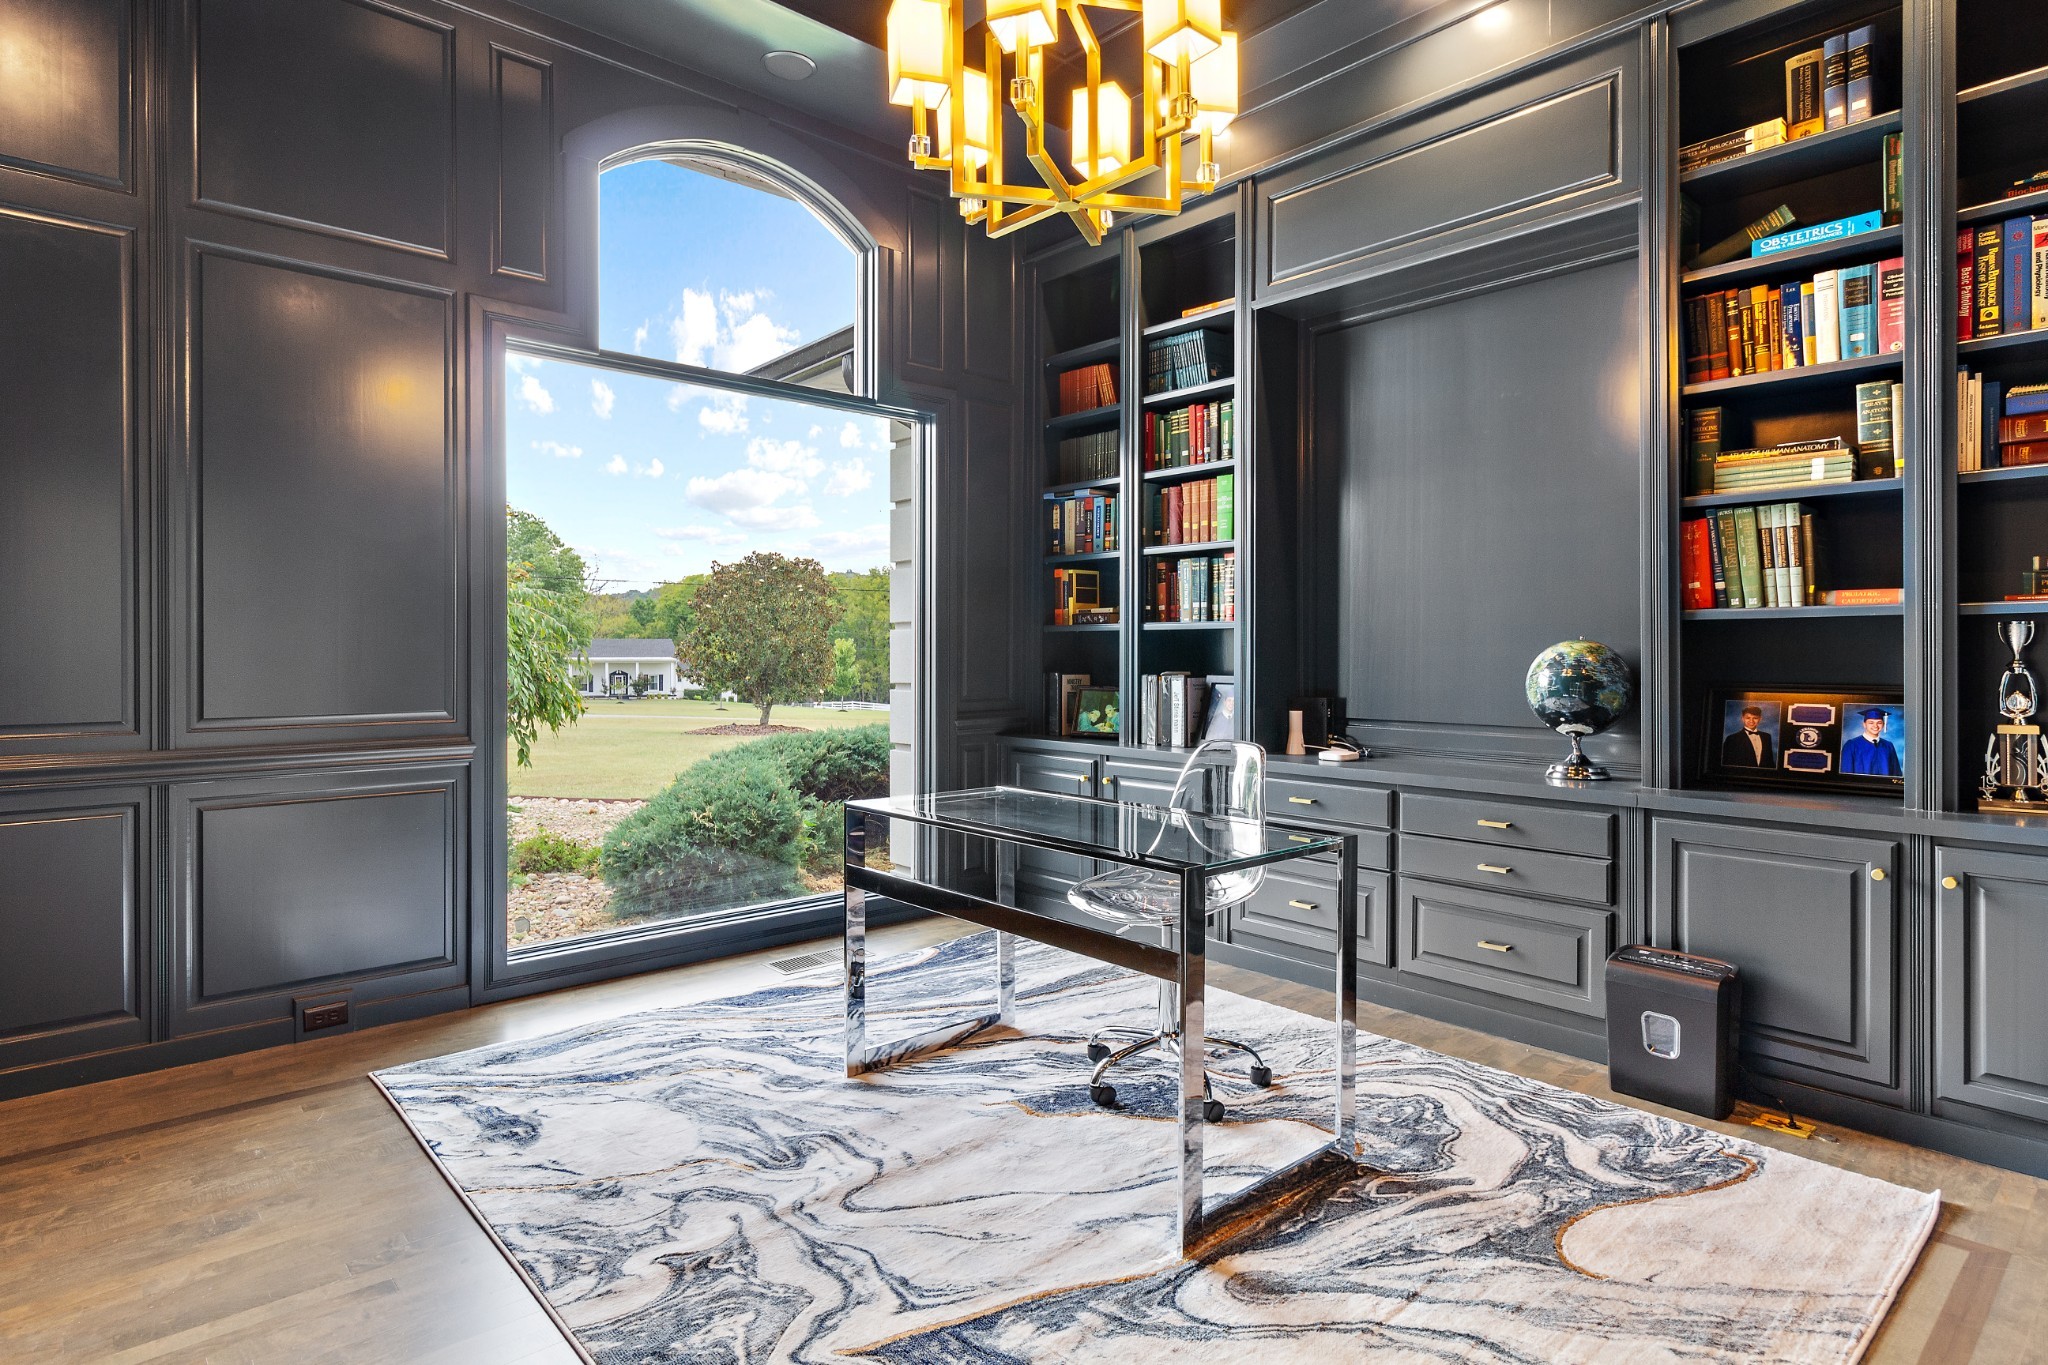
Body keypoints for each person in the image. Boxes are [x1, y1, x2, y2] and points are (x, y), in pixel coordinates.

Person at [1841, 707, 1903, 777]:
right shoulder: (1851, 745)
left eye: (1879, 722)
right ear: (1864, 724)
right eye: (1871, 722)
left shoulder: (1888, 746)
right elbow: (1846, 773)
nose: (1875, 726)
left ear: (1883, 725)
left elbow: (1896, 773)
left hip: (1884, 786)